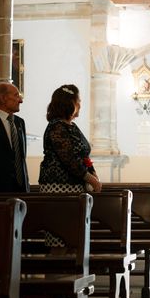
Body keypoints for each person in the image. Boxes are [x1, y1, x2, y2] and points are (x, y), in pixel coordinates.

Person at [39, 84, 101, 247]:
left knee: (75, 239)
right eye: (78, 101)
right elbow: (69, 159)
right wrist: (91, 179)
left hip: (76, 189)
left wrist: (93, 173)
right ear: (68, 103)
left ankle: (77, 271)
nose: (80, 104)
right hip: (59, 188)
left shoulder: (72, 126)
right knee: (60, 239)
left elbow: (83, 155)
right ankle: (57, 271)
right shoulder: (56, 126)